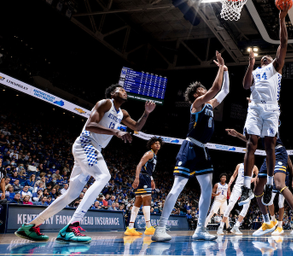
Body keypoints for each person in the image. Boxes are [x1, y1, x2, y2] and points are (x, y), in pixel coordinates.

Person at [15, 84, 156, 243]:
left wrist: (146, 113)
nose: (124, 91)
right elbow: (90, 125)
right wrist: (116, 131)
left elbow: (137, 126)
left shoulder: (122, 113)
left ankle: (30, 226)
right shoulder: (105, 103)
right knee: (104, 176)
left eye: (125, 90)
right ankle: (71, 226)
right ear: (112, 93)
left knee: (72, 194)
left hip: (94, 149)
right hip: (86, 144)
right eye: (120, 89)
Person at [152, 51, 229, 242]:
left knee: (206, 189)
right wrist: (220, 67)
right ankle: (160, 228)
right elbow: (216, 86)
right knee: (177, 187)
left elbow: (224, 90)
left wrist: (225, 70)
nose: (205, 89)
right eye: (202, 88)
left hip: (202, 149)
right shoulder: (197, 103)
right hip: (189, 147)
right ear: (196, 93)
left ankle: (200, 229)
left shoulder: (210, 103)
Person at [239, 5, 290, 206]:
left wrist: (281, 19)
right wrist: (250, 64)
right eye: (262, 58)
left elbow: (283, 43)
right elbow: (245, 85)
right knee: (251, 144)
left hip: (271, 108)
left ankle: (269, 185)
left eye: (267, 57)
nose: (264, 58)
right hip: (254, 108)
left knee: (269, 146)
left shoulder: (275, 68)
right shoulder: (256, 71)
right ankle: (245, 188)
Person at [226, 127, 293, 236]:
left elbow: (255, 140)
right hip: (269, 155)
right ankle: (267, 222)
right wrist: (237, 135)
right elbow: (253, 140)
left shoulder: (269, 118)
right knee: (257, 191)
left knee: (280, 185)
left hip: (278, 152)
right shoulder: (258, 123)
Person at [125, 137, 162, 236]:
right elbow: (139, 165)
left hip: (146, 177)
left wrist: (152, 179)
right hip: (143, 178)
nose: (157, 145)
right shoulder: (149, 153)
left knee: (138, 201)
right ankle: (149, 227)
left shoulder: (154, 155)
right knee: (147, 200)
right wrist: (136, 178)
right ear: (151, 145)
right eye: (155, 143)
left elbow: (148, 170)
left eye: (159, 143)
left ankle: (130, 228)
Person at [218, 161, 259, 235]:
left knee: (246, 207)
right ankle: (221, 227)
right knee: (230, 206)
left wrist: (254, 179)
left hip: (246, 188)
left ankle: (236, 226)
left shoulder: (254, 167)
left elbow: (258, 176)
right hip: (237, 187)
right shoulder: (239, 165)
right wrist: (229, 184)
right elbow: (234, 175)